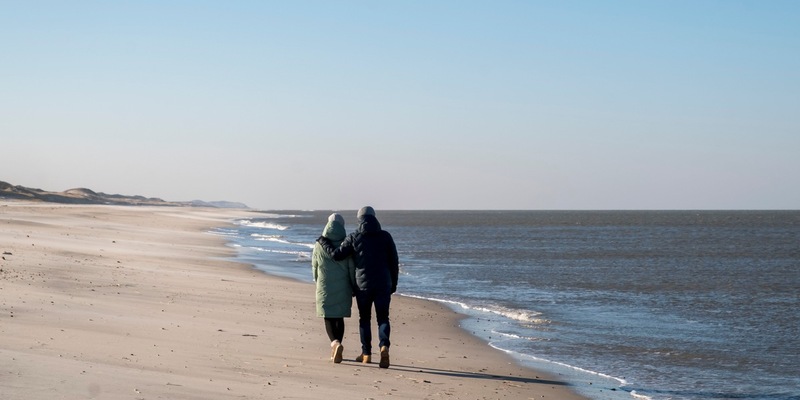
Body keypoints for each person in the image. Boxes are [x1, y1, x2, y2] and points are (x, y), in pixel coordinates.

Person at [317, 206, 398, 368]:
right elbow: (394, 262)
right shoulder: (386, 236)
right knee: (383, 318)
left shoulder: (354, 237)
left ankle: (366, 354)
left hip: (363, 286)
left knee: (365, 319)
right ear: (375, 218)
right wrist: (393, 284)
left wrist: (323, 241)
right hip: (383, 284)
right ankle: (384, 347)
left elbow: (336, 255)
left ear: (359, 219)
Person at [312, 213, 356, 364]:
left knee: (328, 316)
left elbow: (315, 266)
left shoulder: (319, 245)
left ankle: (335, 343)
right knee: (339, 317)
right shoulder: (346, 245)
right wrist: (353, 285)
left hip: (325, 285)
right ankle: (337, 345)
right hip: (343, 286)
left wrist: (317, 281)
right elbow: (351, 267)